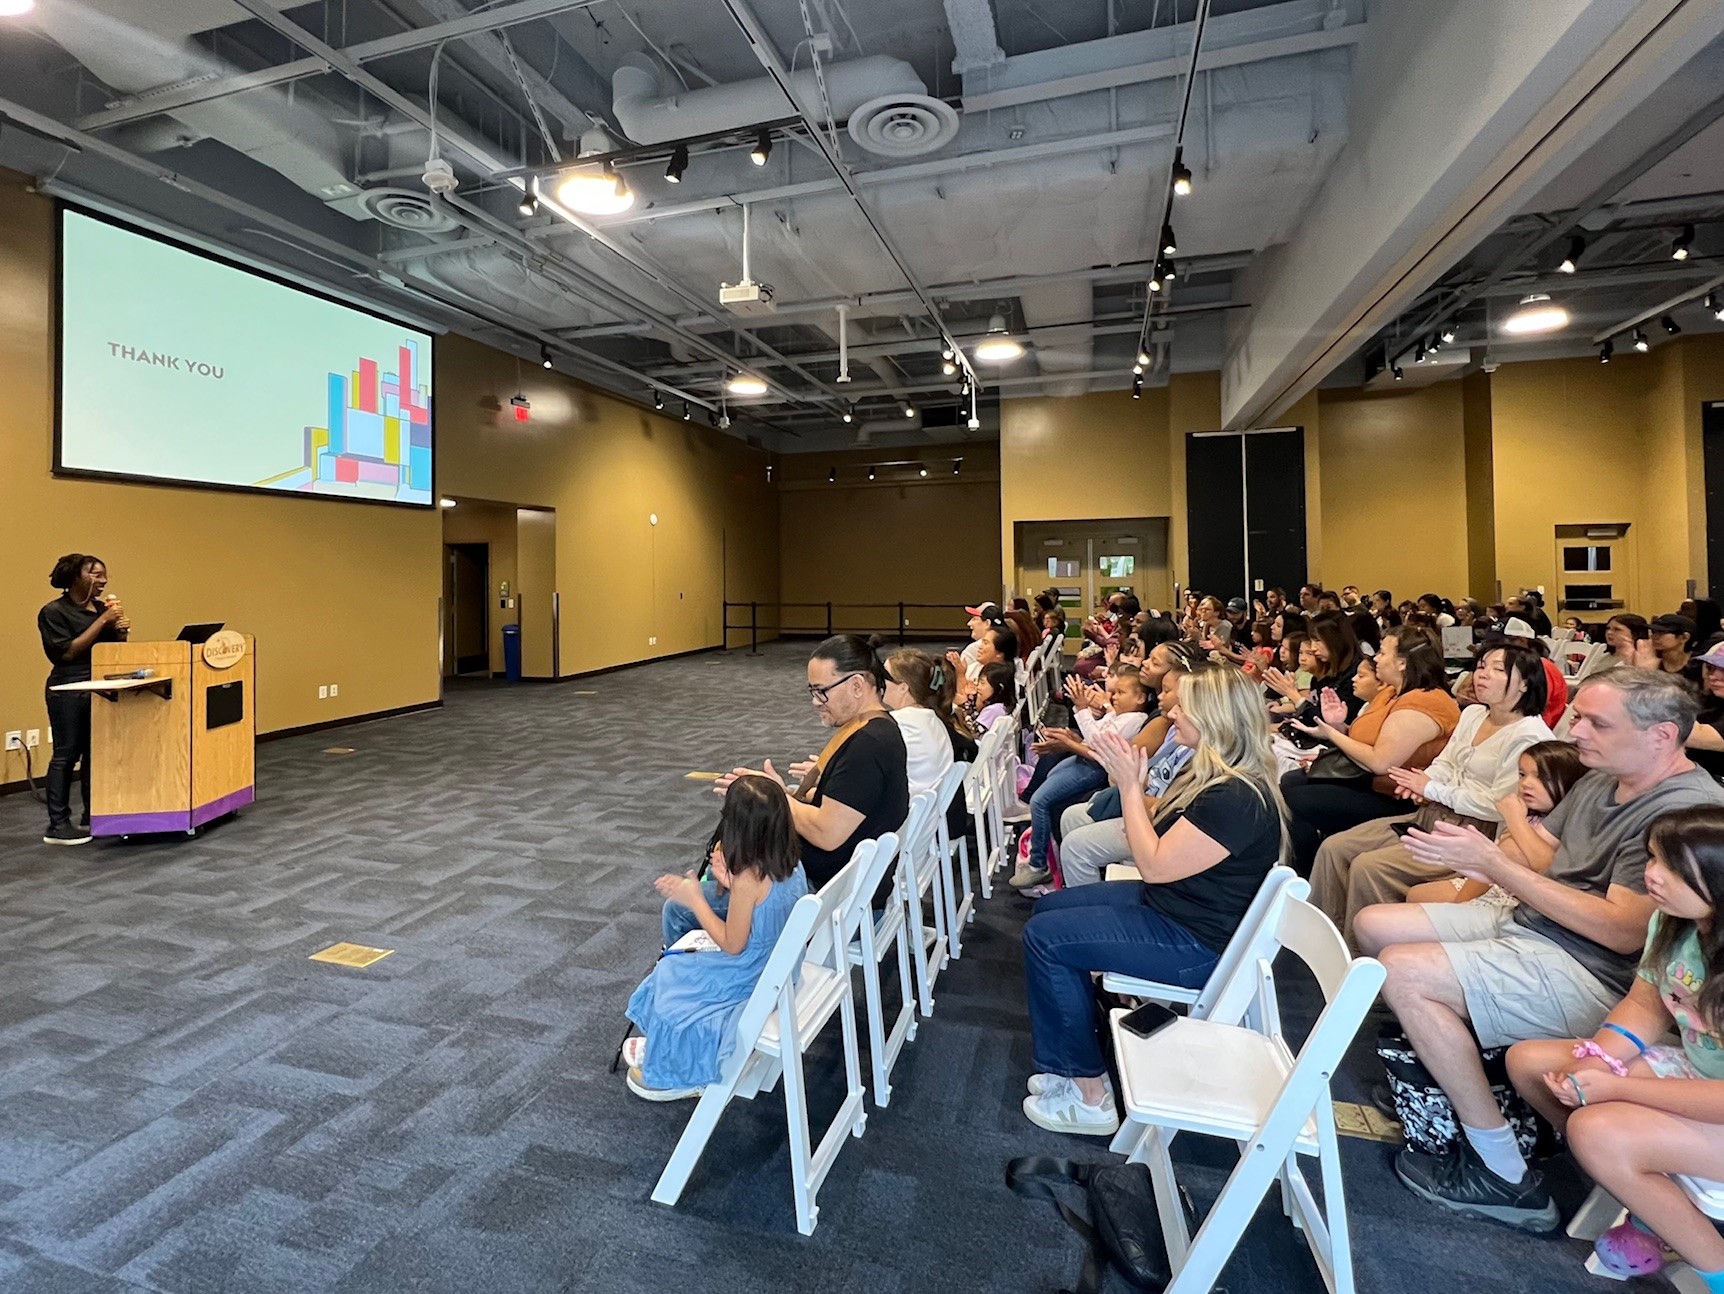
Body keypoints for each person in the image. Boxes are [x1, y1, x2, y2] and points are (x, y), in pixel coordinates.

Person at [1355, 669, 1724, 1228]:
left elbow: (1622, 934)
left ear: (1662, 736)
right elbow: (1543, 857)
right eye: (1578, 717)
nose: (1576, 732)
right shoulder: (1604, 775)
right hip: (1541, 926)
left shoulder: (1682, 811)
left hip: (1599, 969)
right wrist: (1475, 855)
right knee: (1376, 925)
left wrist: (1493, 863)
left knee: (1404, 972)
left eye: (1597, 722)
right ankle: (1441, 1074)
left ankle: (1500, 1169)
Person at [1019, 666, 1288, 1135]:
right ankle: (1074, 1051)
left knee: (1045, 939)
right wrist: (1132, 784)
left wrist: (1127, 786)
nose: (1174, 712)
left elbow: (1155, 864)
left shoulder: (1236, 797)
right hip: (1176, 908)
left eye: (1186, 707)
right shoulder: (1214, 776)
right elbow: (1161, 834)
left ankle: (1091, 1094)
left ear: (1216, 719)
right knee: (1047, 911)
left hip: (1197, 943)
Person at [1503, 806, 1724, 1286]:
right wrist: (1600, 1058)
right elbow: (1646, 1006)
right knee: (1530, 1063)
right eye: (1652, 858)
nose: (1652, 876)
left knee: (1595, 1130)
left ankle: (1716, 1268)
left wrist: (1615, 1089)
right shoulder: (1675, 922)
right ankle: (1654, 1205)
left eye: (1672, 868)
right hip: (1699, 1075)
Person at [1306, 644, 1554, 943]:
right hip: (1433, 814)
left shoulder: (1529, 736)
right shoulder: (1474, 714)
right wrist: (1419, 781)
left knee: (1369, 867)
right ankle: (1321, 940)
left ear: (1525, 683)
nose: (1483, 675)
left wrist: (1432, 788)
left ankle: (1364, 957)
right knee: (1335, 848)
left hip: (1475, 832)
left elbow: (1500, 805)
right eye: (1481, 667)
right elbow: (1446, 762)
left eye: (1497, 669)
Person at [627, 775, 810, 1100]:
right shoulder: (790, 863)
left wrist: (695, 898)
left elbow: (732, 944)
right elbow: (765, 911)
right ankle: (668, 1049)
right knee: (681, 969)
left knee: (672, 975)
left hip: (753, 973)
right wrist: (729, 880)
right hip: (781, 964)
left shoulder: (749, 878)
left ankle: (680, 1069)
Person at [709, 634, 909, 893]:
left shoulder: (867, 745)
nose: (815, 701)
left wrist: (776, 796)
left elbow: (827, 833)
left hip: (827, 890)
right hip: (852, 879)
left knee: (679, 909)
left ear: (857, 685)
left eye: (822, 691)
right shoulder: (878, 730)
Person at [1280, 625, 1461, 872]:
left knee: (1293, 799)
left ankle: (1302, 873)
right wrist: (1339, 726)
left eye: (1383, 653)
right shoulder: (1390, 693)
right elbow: (1363, 742)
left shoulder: (1424, 702)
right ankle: (1303, 867)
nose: (1376, 658)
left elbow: (1380, 762)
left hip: (1399, 797)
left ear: (1402, 663)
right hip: (1368, 780)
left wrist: (1331, 732)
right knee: (1291, 782)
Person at [1056, 659, 1197, 887]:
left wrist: (1130, 785)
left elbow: (1168, 811)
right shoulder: (1176, 733)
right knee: (1071, 816)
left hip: (1158, 823)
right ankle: (1085, 893)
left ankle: (1087, 903)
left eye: (1168, 691)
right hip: (1147, 806)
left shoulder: (1197, 752)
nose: (1162, 698)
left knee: (1072, 840)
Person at [1399, 740, 1586, 909]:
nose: (1526, 784)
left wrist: (1515, 820)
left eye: (1541, 777)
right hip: (1492, 882)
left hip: (1520, 896)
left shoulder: (1565, 824)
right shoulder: (1526, 812)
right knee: (1416, 894)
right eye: (1522, 774)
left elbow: (1545, 867)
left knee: (1418, 905)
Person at [1011, 669, 1151, 891]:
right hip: (1085, 760)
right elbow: (1094, 733)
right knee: (1048, 782)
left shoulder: (1135, 720)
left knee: (1040, 800)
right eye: (1113, 692)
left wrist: (1082, 708)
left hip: (1093, 767)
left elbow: (1096, 742)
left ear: (1140, 698)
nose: (1113, 696)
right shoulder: (1120, 715)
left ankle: (1038, 864)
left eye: (1120, 692)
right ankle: (1047, 850)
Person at [37, 553, 129, 846]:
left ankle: (94, 814)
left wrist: (120, 631)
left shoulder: (102, 609)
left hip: (100, 685)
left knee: (95, 754)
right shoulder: (53, 612)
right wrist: (103, 621)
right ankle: (58, 824)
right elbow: (65, 652)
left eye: (105, 575)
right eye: (96, 574)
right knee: (66, 755)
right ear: (76, 577)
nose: (102, 581)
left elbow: (115, 651)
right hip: (68, 687)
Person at [882, 649, 958, 801]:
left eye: (883, 676)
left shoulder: (897, 723)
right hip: (929, 814)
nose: (878, 682)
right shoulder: (932, 718)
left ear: (903, 687)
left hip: (910, 816)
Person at [1640, 614, 1703, 688]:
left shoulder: (1698, 666)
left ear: (1684, 637)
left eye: (1661, 632)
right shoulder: (1652, 662)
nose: (1654, 637)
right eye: (1654, 632)